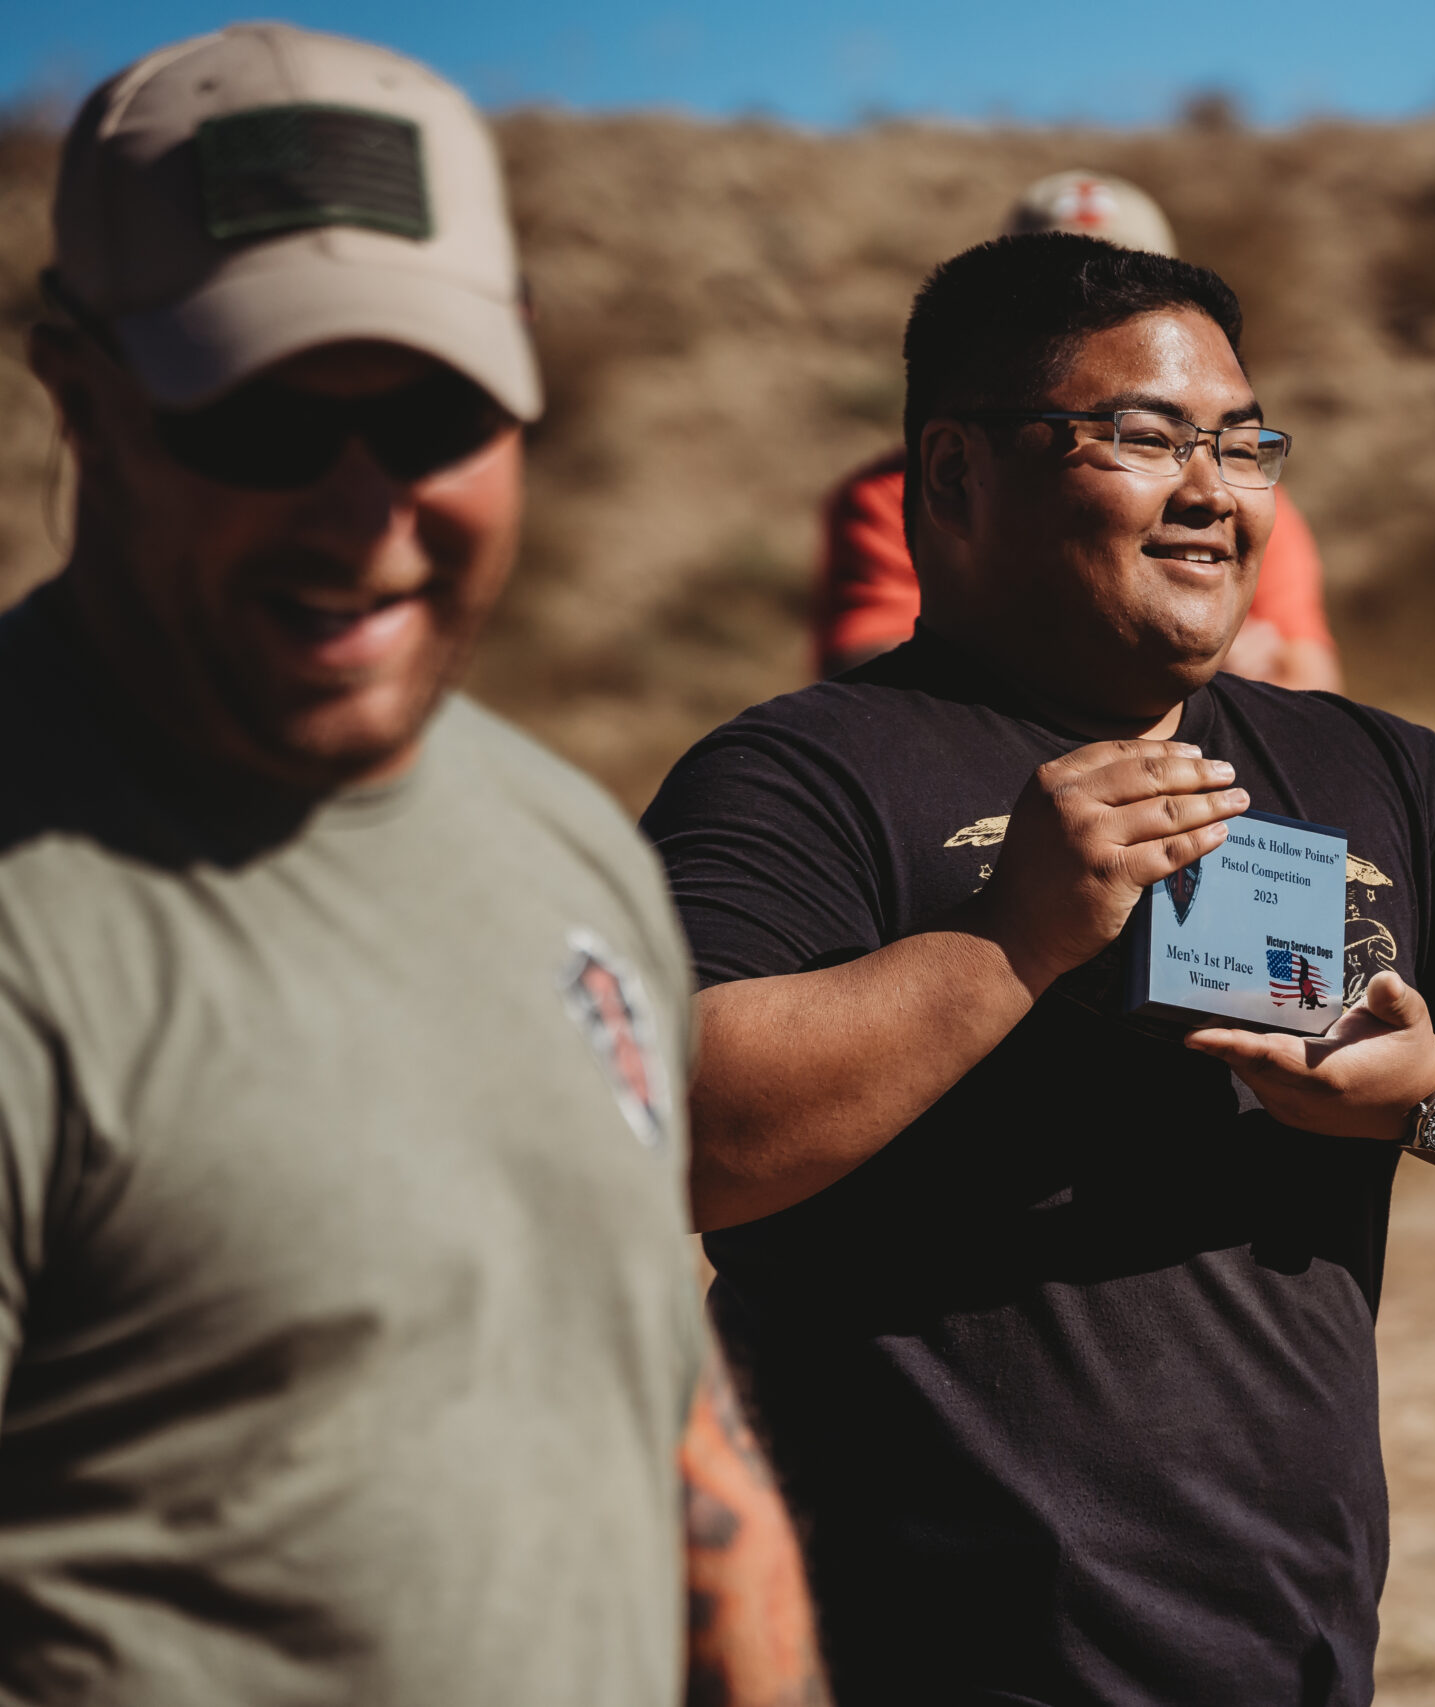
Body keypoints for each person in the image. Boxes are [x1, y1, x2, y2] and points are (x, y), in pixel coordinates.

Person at [643, 232, 1435, 1704]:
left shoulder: (1372, 765)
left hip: (1285, 1650)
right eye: (1142, 438)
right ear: (951, 475)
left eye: (1243, 442)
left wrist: (1434, 1089)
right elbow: (666, 1137)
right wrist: (1006, 947)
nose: (1213, 491)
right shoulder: (798, 774)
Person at [1, 26, 826, 1705]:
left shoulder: (568, 843)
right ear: (76, 389)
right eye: (261, 420)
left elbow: (665, 1410)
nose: (364, 505)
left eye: (437, 411)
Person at [814, 169, 1343, 691]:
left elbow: (1307, 680)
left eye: (1134, 288)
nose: (1207, 496)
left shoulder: (1238, 495)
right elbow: (865, 663)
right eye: (1060, 294)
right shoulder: (887, 496)